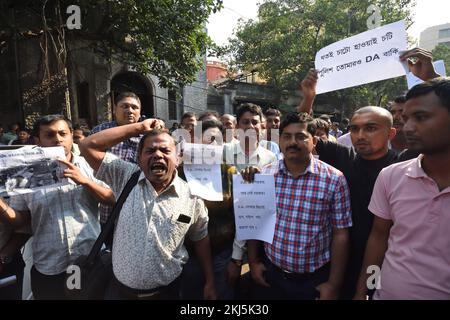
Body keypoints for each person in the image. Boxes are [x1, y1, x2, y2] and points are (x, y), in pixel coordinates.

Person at [296, 47, 439, 298]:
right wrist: (308, 98)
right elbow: (299, 132)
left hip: (387, 265)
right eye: (355, 129)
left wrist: (431, 79)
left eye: (371, 128)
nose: (360, 135)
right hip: (338, 260)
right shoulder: (343, 157)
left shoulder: (404, 166)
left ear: (391, 132)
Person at [79, 119, 217, 300]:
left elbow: (200, 238)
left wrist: (210, 281)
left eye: (166, 150)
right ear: (139, 159)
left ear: (177, 159)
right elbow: (87, 146)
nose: (158, 155)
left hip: (167, 293)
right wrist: (139, 127)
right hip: (119, 293)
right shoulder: (125, 176)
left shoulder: (192, 197)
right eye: (150, 151)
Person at [354, 78, 450, 300]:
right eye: (405, 119)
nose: (407, 127)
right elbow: (378, 240)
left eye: (421, 117)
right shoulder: (391, 176)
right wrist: (365, 291)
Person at [0, 114, 114, 299]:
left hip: (86, 261)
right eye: (49, 135)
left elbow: (112, 199)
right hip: (49, 265)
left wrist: (85, 181)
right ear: (38, 140)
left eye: (63, 133)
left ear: (71, 135)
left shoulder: (88, 165)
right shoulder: (25, 172)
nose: (58, 139)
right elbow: (19, 221)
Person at [244, 112, 352, 300]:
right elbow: (255, 221)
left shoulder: (334, 179)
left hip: (314, 281)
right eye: (287, 136)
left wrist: (334, 284)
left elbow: (340, 234)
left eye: (301, 136)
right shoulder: (265, 176)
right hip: (272, 275)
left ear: (314, 141)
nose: (292, 142)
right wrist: (253, 261)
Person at [179, 119, 238, 300]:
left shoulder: (231, 173)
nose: (213, 143)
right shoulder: (179, 172)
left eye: (217, 139)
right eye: (208, 138)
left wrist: (236, 258)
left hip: (222, 252)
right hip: (188, 253)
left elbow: (240, 217)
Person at [91, 92, 142, 225]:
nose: (130, 110)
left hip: (136, 204)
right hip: (103, 206)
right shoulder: (101, 132)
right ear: (115, 110)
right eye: (124, 106)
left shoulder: (147, 136)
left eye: (134, 107)